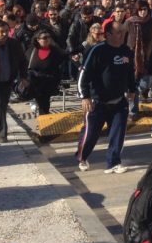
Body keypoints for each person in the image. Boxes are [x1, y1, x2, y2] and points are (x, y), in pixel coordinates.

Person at [75, 16, 136, 173]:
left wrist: (132, 89)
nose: (122, 35)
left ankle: (113, 162)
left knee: (118, 133)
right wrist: (85, 96)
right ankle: (82, 157)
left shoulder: (126, 51)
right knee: (91, 135)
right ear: (108, 34)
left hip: (119, 101)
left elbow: (130, 72)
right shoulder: (97, 50)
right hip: (97, 102)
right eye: (118, 33)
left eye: (123, 32)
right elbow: (84, 74)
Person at [25, 30, 66, 117]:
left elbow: (61, 64)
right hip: (34, 82)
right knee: (41, 105)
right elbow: (25, 64)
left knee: (44, 105)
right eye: (44, 38)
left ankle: (44, 124)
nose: (47, 39)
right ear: (38, 40)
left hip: (48, 82)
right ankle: (43, 122)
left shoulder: (55, 51)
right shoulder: (32, 50)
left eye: (49, 37)